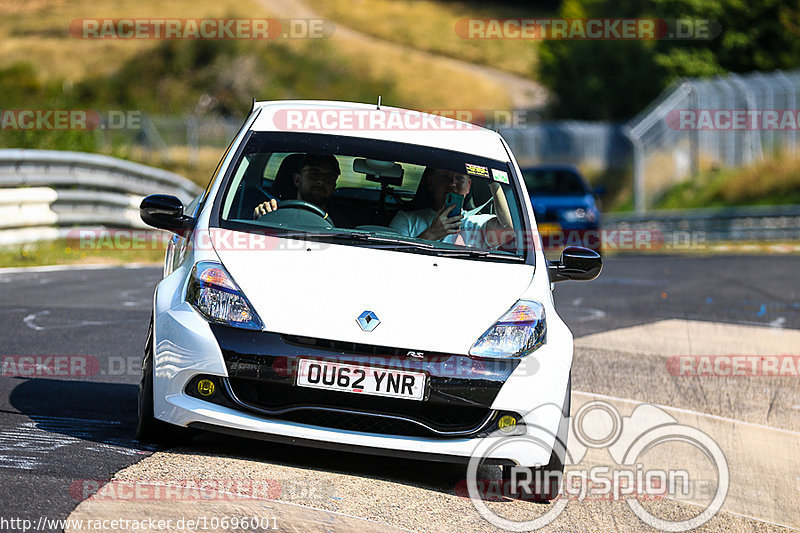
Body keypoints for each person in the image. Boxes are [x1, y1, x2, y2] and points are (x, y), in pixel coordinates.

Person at [389, 167, 514, 248]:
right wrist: (431, 235)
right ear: (431, 182)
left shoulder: (478, 224)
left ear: (468, 187)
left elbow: (509, 228)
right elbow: (392, 258)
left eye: (460, 178)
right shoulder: (406, 220)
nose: (452, 183)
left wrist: (493, 181)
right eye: (444, 176)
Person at [252, 154, 354, 226]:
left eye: (329, 177)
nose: (320, 181)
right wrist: (260, 218)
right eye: (314, 174)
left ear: (334, 185)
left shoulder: (340, 226)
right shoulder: (273, 212)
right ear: (297, 180)